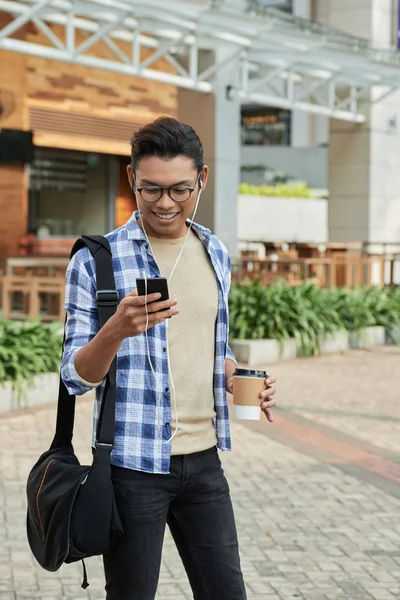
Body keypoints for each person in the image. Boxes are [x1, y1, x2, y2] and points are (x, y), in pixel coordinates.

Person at [61, 117, 277, 600]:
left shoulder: (214, 252)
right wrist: (116, 329)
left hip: (203, 462)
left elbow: (211, 346)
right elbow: (75, 376)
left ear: (201, 179)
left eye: (180, 189)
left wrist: (235, 377)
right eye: (151, 189)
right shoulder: (97, 260)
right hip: (132, 467)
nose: (165, 203)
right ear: (131, 179)